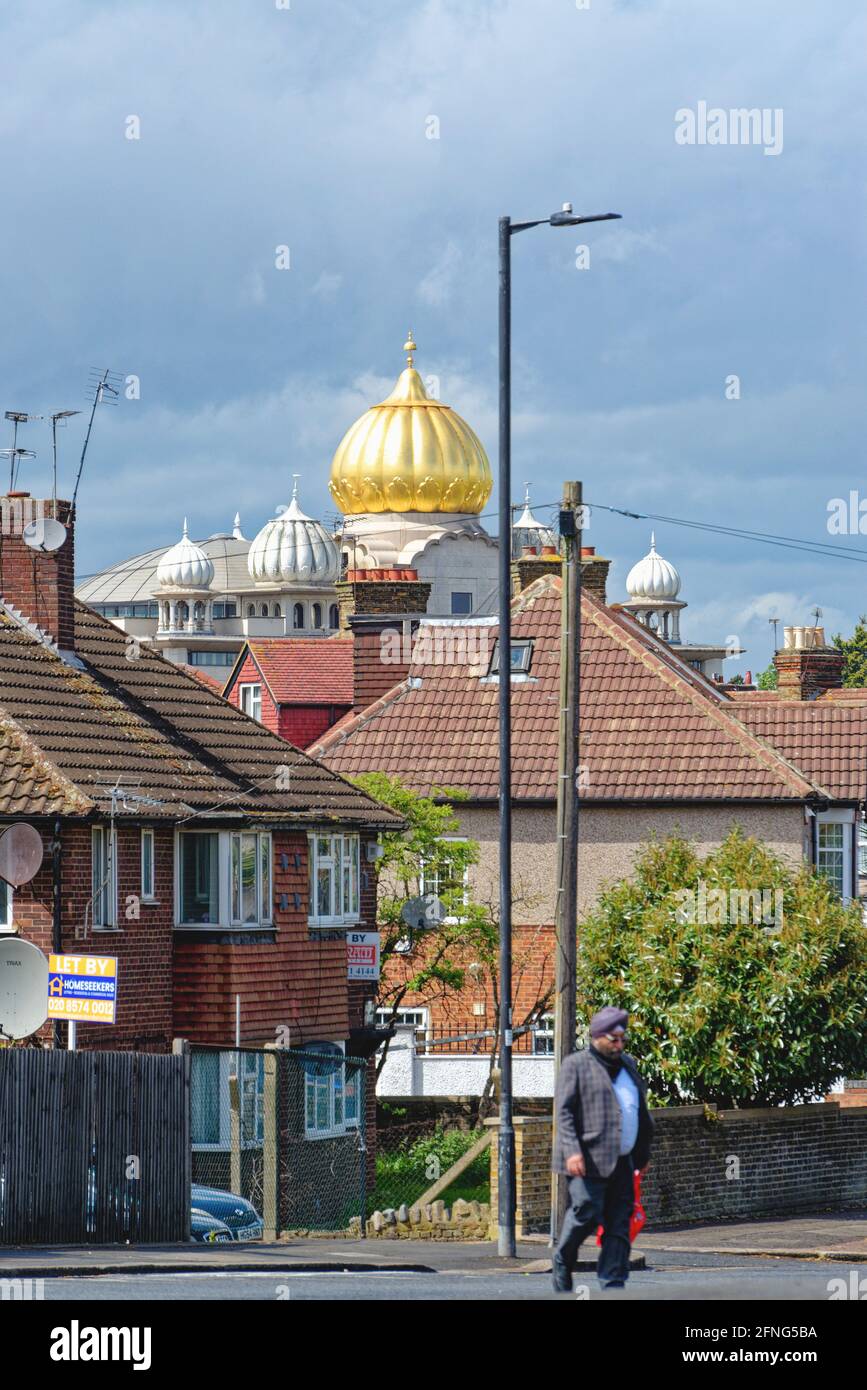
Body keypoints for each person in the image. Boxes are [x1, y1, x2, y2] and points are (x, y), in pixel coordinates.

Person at [551, 1006, 653, 1292]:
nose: (619, 1045)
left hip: (622, 1159)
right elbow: (565, 1112)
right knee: (586, 1211)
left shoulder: (628, 1065)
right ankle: (563, 1257)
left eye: (623, 1039)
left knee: (619, 1223)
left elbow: (640, 1112)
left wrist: (642, 1154)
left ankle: (613, 1281)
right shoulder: (576, 1065)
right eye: (614, 1039)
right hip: (587, 1159)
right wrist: (572, 1151)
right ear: (597, 1037)